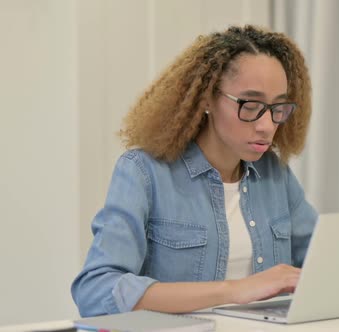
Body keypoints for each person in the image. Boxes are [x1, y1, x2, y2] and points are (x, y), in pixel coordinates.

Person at [71, 25, 317, 317]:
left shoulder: (275, 175)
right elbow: (96, 290)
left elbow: (322, 263)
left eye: (278, 107)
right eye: (251, 105)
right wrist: (235, 290)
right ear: (207, 99)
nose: (267, 126)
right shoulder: (144, 172)